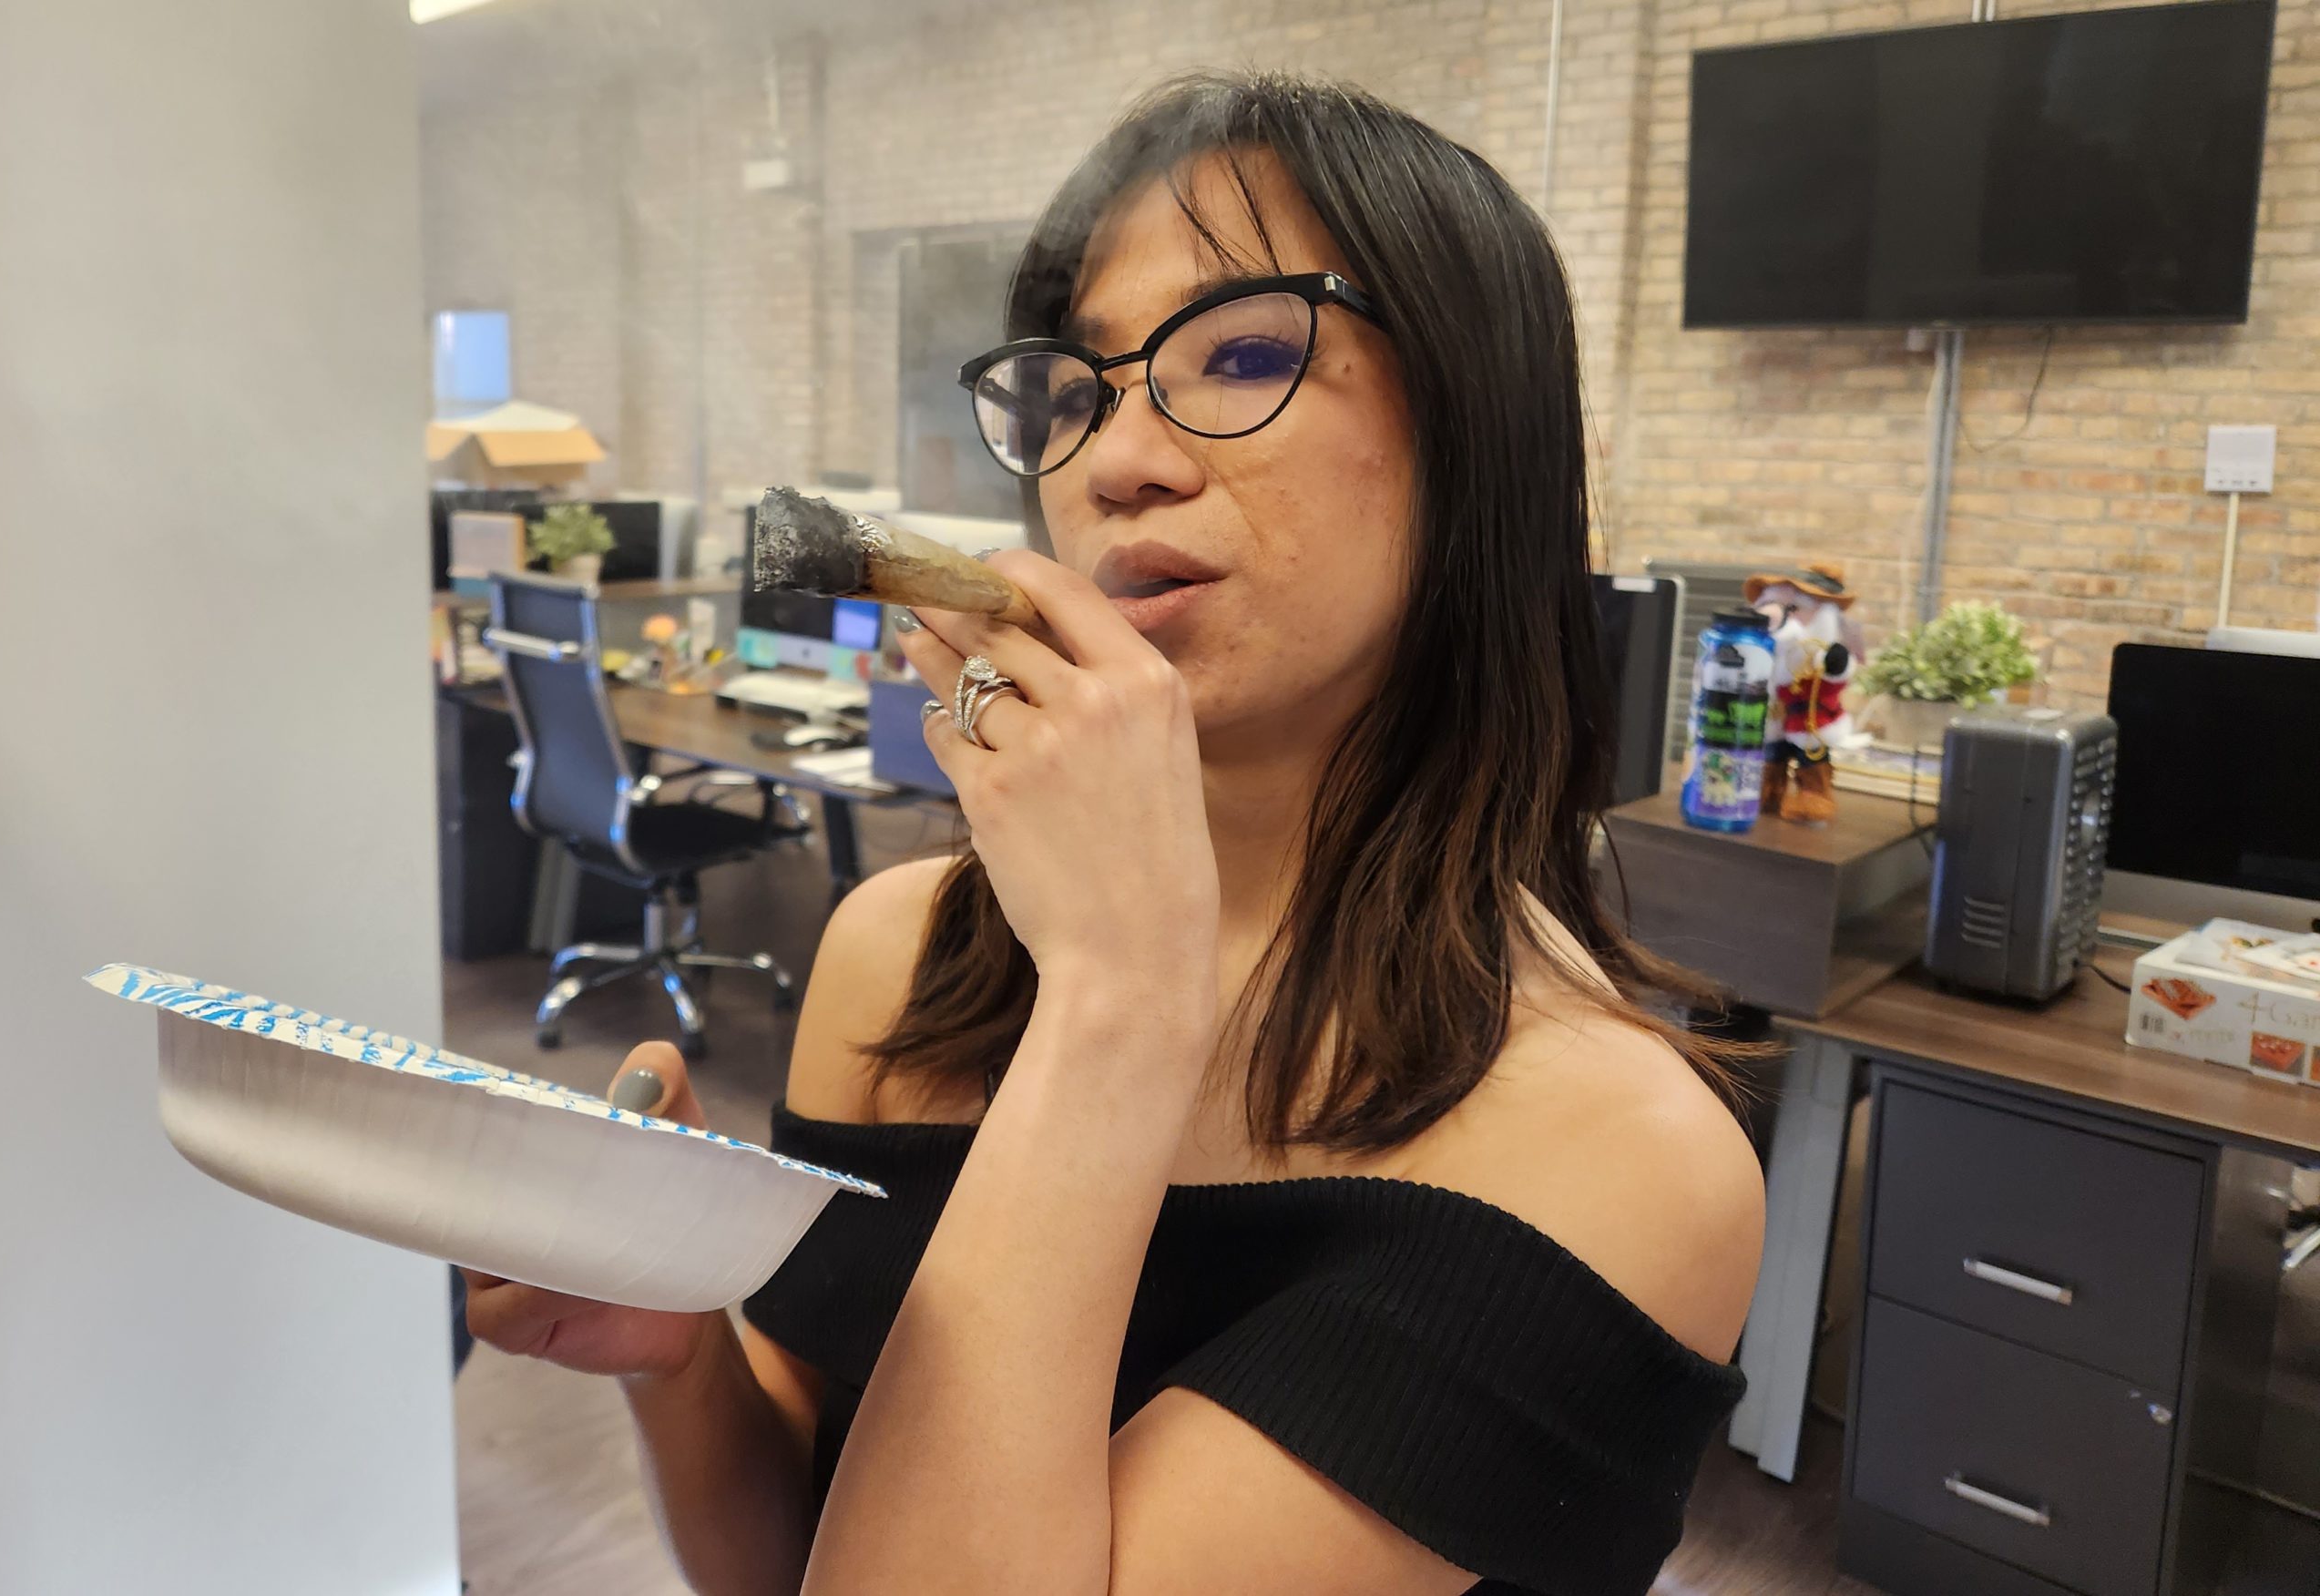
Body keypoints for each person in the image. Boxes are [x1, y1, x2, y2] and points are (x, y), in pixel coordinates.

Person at [464, 70, 1764, 1596]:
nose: (1112, 461)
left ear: (1481, 438)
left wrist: (1124, 996)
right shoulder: (897, 959)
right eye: (1079, 390)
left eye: (1247, 353)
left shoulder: (1619, 1153)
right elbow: (796, 1563)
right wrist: (681, 1363)